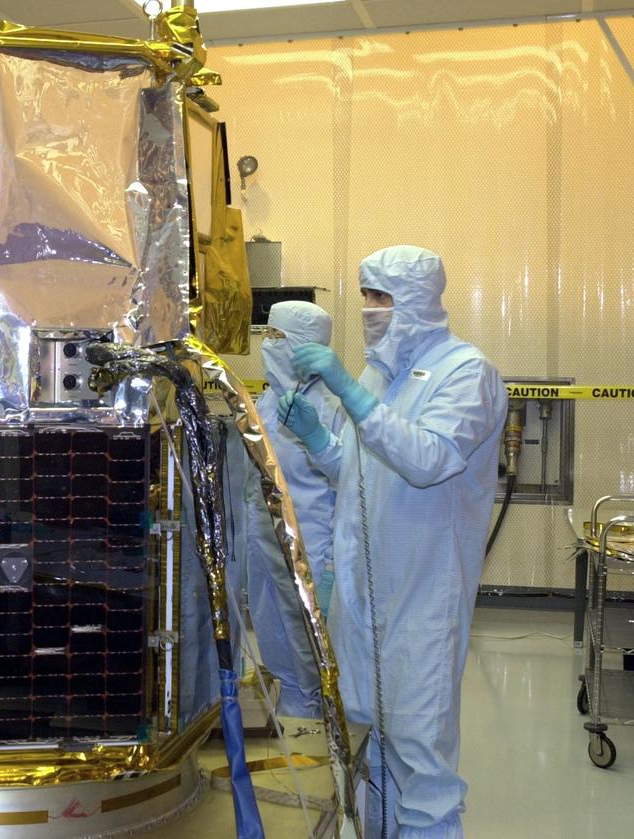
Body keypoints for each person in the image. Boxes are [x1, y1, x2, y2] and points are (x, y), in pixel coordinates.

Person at [279, 245, 506, 838]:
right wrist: (319, 443)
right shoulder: (381, 372)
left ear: (418, 303)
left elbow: (429, 459)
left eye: (381, 299)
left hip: (423, 601)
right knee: (368, 746)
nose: (370, 311)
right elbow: (358, 474)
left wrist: (350, 396)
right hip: (365, 599)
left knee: (419, 757)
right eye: (366, 298)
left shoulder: (466, 372)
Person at [244, 301, 343, 717]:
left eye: (277, 337)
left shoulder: (332, 409)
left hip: (308, 541)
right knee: (270, 627)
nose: (267, 345)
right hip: (262, 537)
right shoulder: (267, 401)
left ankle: (317, 714)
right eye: (266, 335)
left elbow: (345, 484)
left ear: (303, 346)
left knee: (308, 638)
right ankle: (292, 707)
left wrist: (334, 565)